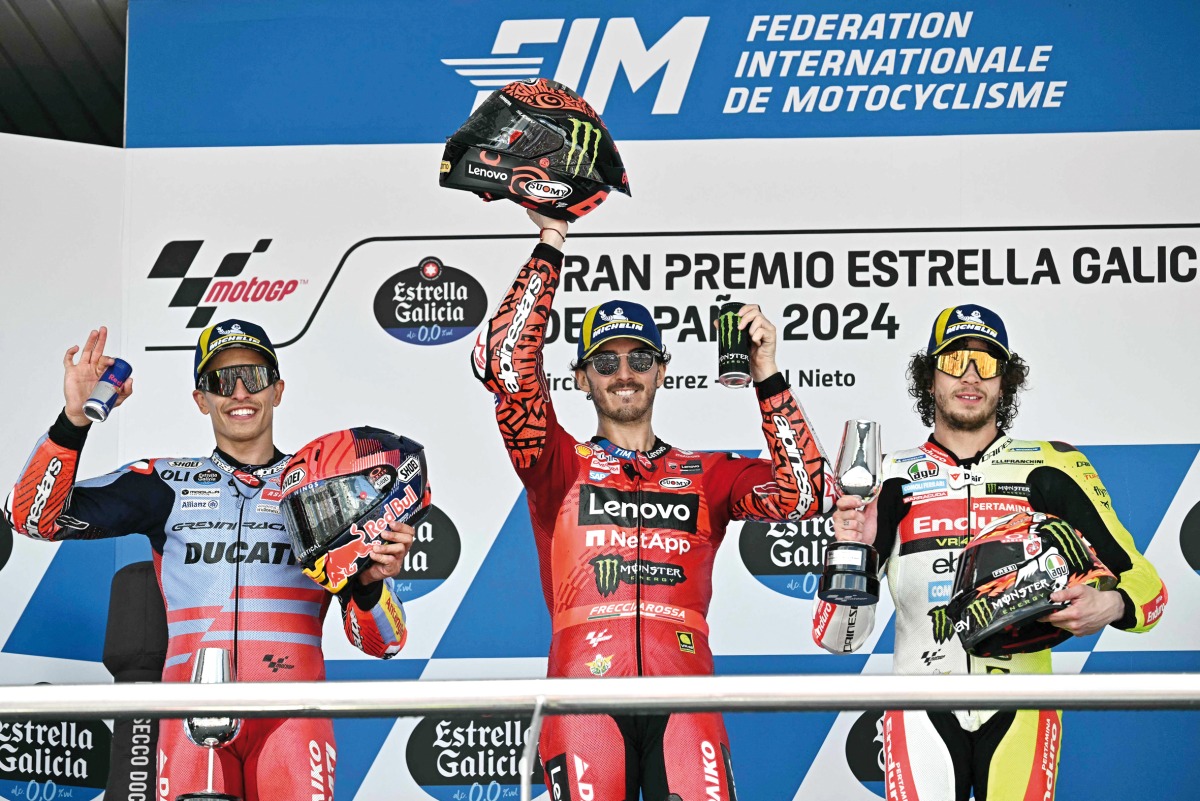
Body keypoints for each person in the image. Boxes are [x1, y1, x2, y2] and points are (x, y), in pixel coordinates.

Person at [471, 209, 833, 801]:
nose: (623, 373)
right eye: (605, 362)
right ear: (582, 379)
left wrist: (767, 373)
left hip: (686, 701)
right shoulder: (556, 465)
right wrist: (551, 240)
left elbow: (808, 493)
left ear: (662, 371)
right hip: (582, 704)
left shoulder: (707, 474)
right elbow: (508, 364)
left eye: (640, 359)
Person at [4, 320, 414, 801]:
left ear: (277, 390)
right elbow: (32, 517)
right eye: (221, 381)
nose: (239, 391)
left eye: (254, 377)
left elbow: (386, 643)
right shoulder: (164, 482)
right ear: (201, 399)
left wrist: (368, 585)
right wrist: (73, 421)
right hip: (187, 721)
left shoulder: (324, 490)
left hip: (292, 720)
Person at [812, 304, 1168, 801]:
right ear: (929, 378)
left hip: (1023, 703)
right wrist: (851, 549)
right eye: (955, 361)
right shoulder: (888, 476)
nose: (971, 376)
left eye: (988, 363)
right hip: (918, 704)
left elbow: (1151, 591)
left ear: (1006, 380)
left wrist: (1110, 605)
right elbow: (838, 639)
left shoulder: (1051, 467)